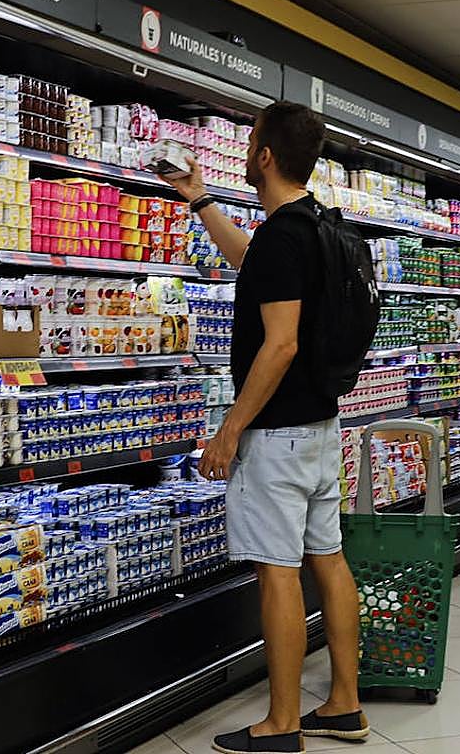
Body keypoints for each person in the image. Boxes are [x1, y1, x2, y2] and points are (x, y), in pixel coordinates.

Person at [159, 101, 368, 754]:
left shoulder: (285, 235)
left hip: (276, 438)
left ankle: (282, 724)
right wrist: (199, 199)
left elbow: (278, 346)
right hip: (320, 428)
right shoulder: (317, 226)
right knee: (328, 561)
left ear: (266, 156)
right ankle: (344, 705)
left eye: (250, 141)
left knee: (277, 572)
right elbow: (252, 261)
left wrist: (229, 431)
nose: (247, 150)